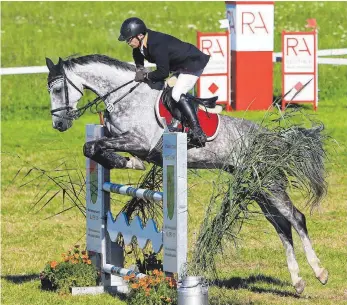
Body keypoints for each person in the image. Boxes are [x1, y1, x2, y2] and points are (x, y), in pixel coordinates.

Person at [118, 17, 210, 146]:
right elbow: (137, 54)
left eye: (129, 39)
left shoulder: (156, 45)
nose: (128, 42)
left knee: (176, 94)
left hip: (192, 64)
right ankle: (178, 121)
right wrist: (139, 68)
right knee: (166, 90)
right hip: (180, 66)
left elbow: (162, 73)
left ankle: (198, 132)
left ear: (139, 35)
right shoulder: (142, 42)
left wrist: (146, 77)